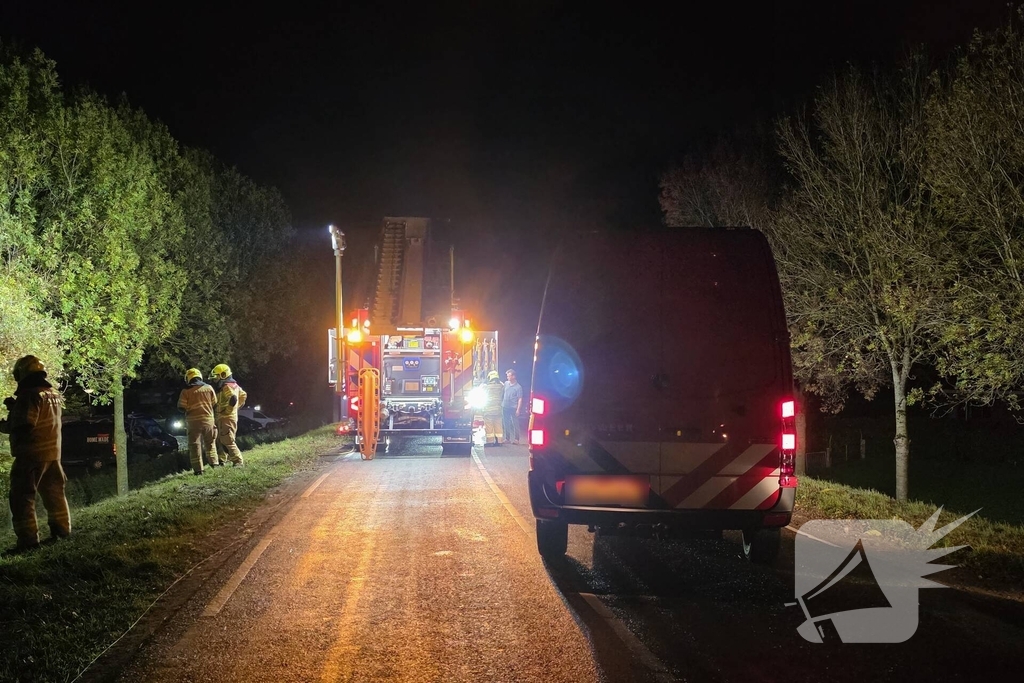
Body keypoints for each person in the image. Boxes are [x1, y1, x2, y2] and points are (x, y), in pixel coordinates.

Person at [0, 355, 71, 554]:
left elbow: (24, 425)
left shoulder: (28, 395)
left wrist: (8, 420)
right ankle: (62, 531)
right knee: (55, 495)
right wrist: (14, 409)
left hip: (30, 455)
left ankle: (28, 542)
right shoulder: (52, 394)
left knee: (22, 499)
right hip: (53, 454)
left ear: (22, 374)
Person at [177, 368, 219, 475]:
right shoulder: (209, 388)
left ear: (188, 378)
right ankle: (214, 464)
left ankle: (199, 470)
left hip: (193, 423)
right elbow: (215, 403)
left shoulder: (186, 391)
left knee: (195, 446)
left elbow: (181, 407)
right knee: (210, 443)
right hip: (208, 421)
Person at [211, 363, 246, 467]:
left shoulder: (226, 387)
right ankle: (222, 459)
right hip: (226, 418)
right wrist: (237, 408)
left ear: (223, 375)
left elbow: (233, 399)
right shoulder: (235, 385)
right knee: (221, 439)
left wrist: (228, 410)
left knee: (227, 440)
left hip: (225, 418)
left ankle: (238, 461)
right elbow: (243, 396)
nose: (215, 380)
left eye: (216, 377)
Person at [483, 370, 505, 446]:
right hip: (498, 409)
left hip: (488, 410)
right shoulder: (501, 386)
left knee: (489, 426)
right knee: (498, 425)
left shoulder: (486, 386)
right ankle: (499, 441)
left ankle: (490, 442)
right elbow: (503, 387)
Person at [502, 369, 523, 445]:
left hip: (513, 407)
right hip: (505, 406)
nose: (507, 377)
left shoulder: (518, 387)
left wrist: (518, 409)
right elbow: (502, 392)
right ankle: (507, 438)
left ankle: (516, 439)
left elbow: (520, 399)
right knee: (506, 423)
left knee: (515, 423)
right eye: (507, 376)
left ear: (513, 376)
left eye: (509, 376)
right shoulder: (506, 383)